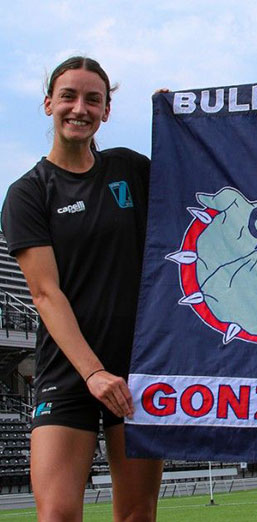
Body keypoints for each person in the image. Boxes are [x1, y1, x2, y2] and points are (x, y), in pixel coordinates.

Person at [1, 57, 163, 521]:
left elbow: (203, 174)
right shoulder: (29, 192)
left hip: (135, 367)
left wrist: (183, 115)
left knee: (137, 514)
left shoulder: (129, 170)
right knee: (57, 514)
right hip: (69, 371)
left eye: (94, 99)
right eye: (69, 96)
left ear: (107, 111)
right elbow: (46, 294)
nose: (80, 108)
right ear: (49, 103)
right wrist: (93, 373)